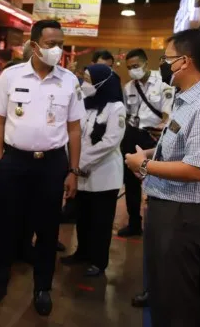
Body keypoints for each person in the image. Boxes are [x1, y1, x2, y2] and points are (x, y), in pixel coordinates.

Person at [125, 29, 200, 327]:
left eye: (166, 59)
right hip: (170, 208)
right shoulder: (188, 100)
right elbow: (179, 147)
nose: (163, 65)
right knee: (163, 290)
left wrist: (145, 167)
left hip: (182, 214)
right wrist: (148, 154)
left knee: (177, 298)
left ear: (184, 62)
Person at [0, 20, 85, 316]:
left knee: (48, 228)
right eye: (51, 43)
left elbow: (75, 130)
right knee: (4, 224)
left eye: (61, 44)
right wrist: (0, 159)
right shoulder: (11, 76)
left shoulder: (69, 81)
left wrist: (73, 171)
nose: (58, 50)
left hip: (52, 163)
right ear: (35, 44)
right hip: (15, 162)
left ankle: (42, 288)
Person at [60, 64, 125, 277]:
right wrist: (74, 165)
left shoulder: (116, 108)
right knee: (84, 217)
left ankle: (99, 261)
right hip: (81, 174)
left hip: (104, 175)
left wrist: (79, 163)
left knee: (101, 221)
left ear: (101, 83)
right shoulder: (84, 105)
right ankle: (82, 253)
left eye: (88, 79)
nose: (84, 84)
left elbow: (110, 141)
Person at [119, 48, 173, 237]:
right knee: (131, 182)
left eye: (136, 66)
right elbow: (126, 114)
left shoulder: (163, 82)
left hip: (152, 137)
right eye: (129, 67)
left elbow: (167, 113)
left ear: (145, 63)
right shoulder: (128, 87)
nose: (133, 70)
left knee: (155, 179)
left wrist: (162, 130)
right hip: (132, 135)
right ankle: (134, 223)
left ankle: (156, 226)